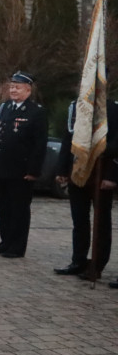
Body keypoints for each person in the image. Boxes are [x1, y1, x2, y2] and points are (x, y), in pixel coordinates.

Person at [53, 97, 118, 278]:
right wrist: (62, 169)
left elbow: (116, 143)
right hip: (78, 171)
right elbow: (68, 138)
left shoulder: (112, 108)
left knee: (101, 223)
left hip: (101, 173)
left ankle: (97, 264)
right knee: (79, 220)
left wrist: (111, 176)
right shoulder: (76, 106)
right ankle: (78, 260)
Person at [0, 71, 48, 259]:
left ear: (28, 90)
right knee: (4, 208)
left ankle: (17, 246)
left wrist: (33, 170)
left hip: (21, 170)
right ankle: (5, 242)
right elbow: (0, 135)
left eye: (17, 87)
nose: (13, 90)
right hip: (2, 167)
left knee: (19, 209)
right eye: (12, 86)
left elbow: (39, 144)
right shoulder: (5, 107)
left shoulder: (36, 112)